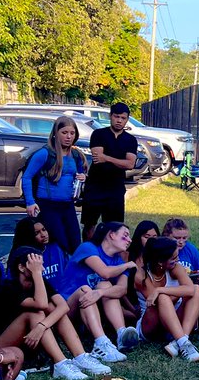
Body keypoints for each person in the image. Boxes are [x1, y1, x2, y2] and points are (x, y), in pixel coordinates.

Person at [0, 247, 112, 380]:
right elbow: (41, 304)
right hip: (0, 345)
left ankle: (80, 356)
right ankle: (60, 364)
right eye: (36, 265)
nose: (42, 269)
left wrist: (41, 327)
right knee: (36, 313)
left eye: (41, 265)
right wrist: (36, 274)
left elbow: (63, 306)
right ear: (21, 267)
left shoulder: (39, 282)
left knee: (54, 308)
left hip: (29, 338)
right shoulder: (9, 287)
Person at [58, 221, 137, 363]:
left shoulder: (118, 261)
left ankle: (121, 334)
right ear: (111, 235)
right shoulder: (88, 248)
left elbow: (122, 289)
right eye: (125, 235)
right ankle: (101, 343)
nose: (129, 240)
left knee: (106, 286)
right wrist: (127, 265)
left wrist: (100, 293)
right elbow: (105, 272)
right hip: (66, 308)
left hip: (91, 311)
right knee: (86, 290)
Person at [131, 236, 199, 362]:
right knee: (163, 298)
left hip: (174, 321)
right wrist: (175, 293)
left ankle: (182, 341)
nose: (178, 260)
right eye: (173, 258)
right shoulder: (141, 276)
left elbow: (190, 290)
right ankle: (182, 341)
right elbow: (158, 303)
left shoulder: (176, 267)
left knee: (197, 289)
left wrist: (160, 289)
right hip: (152, 324)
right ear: (160, 262)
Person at [22, 115, 88, 255]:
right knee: (60, 243)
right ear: (55, 134)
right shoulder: (45, 153)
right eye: (64, 132)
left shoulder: (76, 154)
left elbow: (80, 175)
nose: (68, 137)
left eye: (72, 133)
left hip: (68, 205)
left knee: (75, 242)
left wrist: (83, 177)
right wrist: (30, 202)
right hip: (48, 205)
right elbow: (27, 177)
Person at [80, 102, 138, 238]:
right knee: (89, 225)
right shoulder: (98, 134)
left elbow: (130, 164)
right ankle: (88, 249)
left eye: (123, 118)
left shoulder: (130, 140)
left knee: (114, 227)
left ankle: (109, 250)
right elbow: (97, 158)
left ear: (127, 119)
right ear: (110, 116)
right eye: (116, 116)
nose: (119, 121)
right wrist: (119, 161)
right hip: (95, 186)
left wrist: (107, 158)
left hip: (115, 188)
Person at [12, 216, 69, 292]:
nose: (43, 235)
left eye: (44, 230)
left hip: (62, 294)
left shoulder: (56, 248)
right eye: (37, 233)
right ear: (28, 236)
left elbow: (68, 271)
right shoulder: (21, 255)